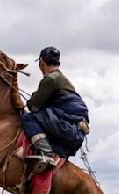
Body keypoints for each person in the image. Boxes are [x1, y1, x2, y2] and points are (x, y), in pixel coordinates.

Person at [20, 46, 90, 174]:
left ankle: (46, 152)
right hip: (75, 130)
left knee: (28, 118)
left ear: (41, 63)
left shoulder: (50, 79)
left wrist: (30, 102)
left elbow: (34, 106)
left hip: (69, 127)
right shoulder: (62, 78)